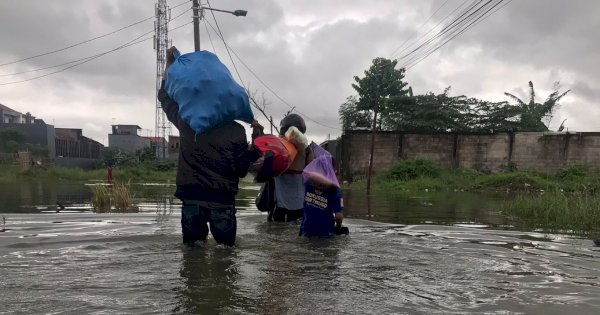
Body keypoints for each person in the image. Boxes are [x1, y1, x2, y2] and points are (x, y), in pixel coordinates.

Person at [158, 46, 262, 246]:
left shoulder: (187, 123)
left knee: (192, 255)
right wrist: (256, 142)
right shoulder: (236, 131)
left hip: (191, 197)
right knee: (226, 255)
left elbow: (164, 97)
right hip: (222, 201)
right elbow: (242, 170)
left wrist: (168, 67)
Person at [269, 114, 314, 222]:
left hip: (279, 196)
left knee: (276, 226)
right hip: (299, 199)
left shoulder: (277, 145)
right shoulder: (307, 149)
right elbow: (312, 171)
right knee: (296, 225)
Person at [300, 155, 347, 237]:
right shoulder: (335, 190)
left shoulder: (308, 183)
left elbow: (310, 174)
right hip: (326, 232)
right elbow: (338, 217)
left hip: (307, 230)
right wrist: (338, 227)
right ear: (332, 170)